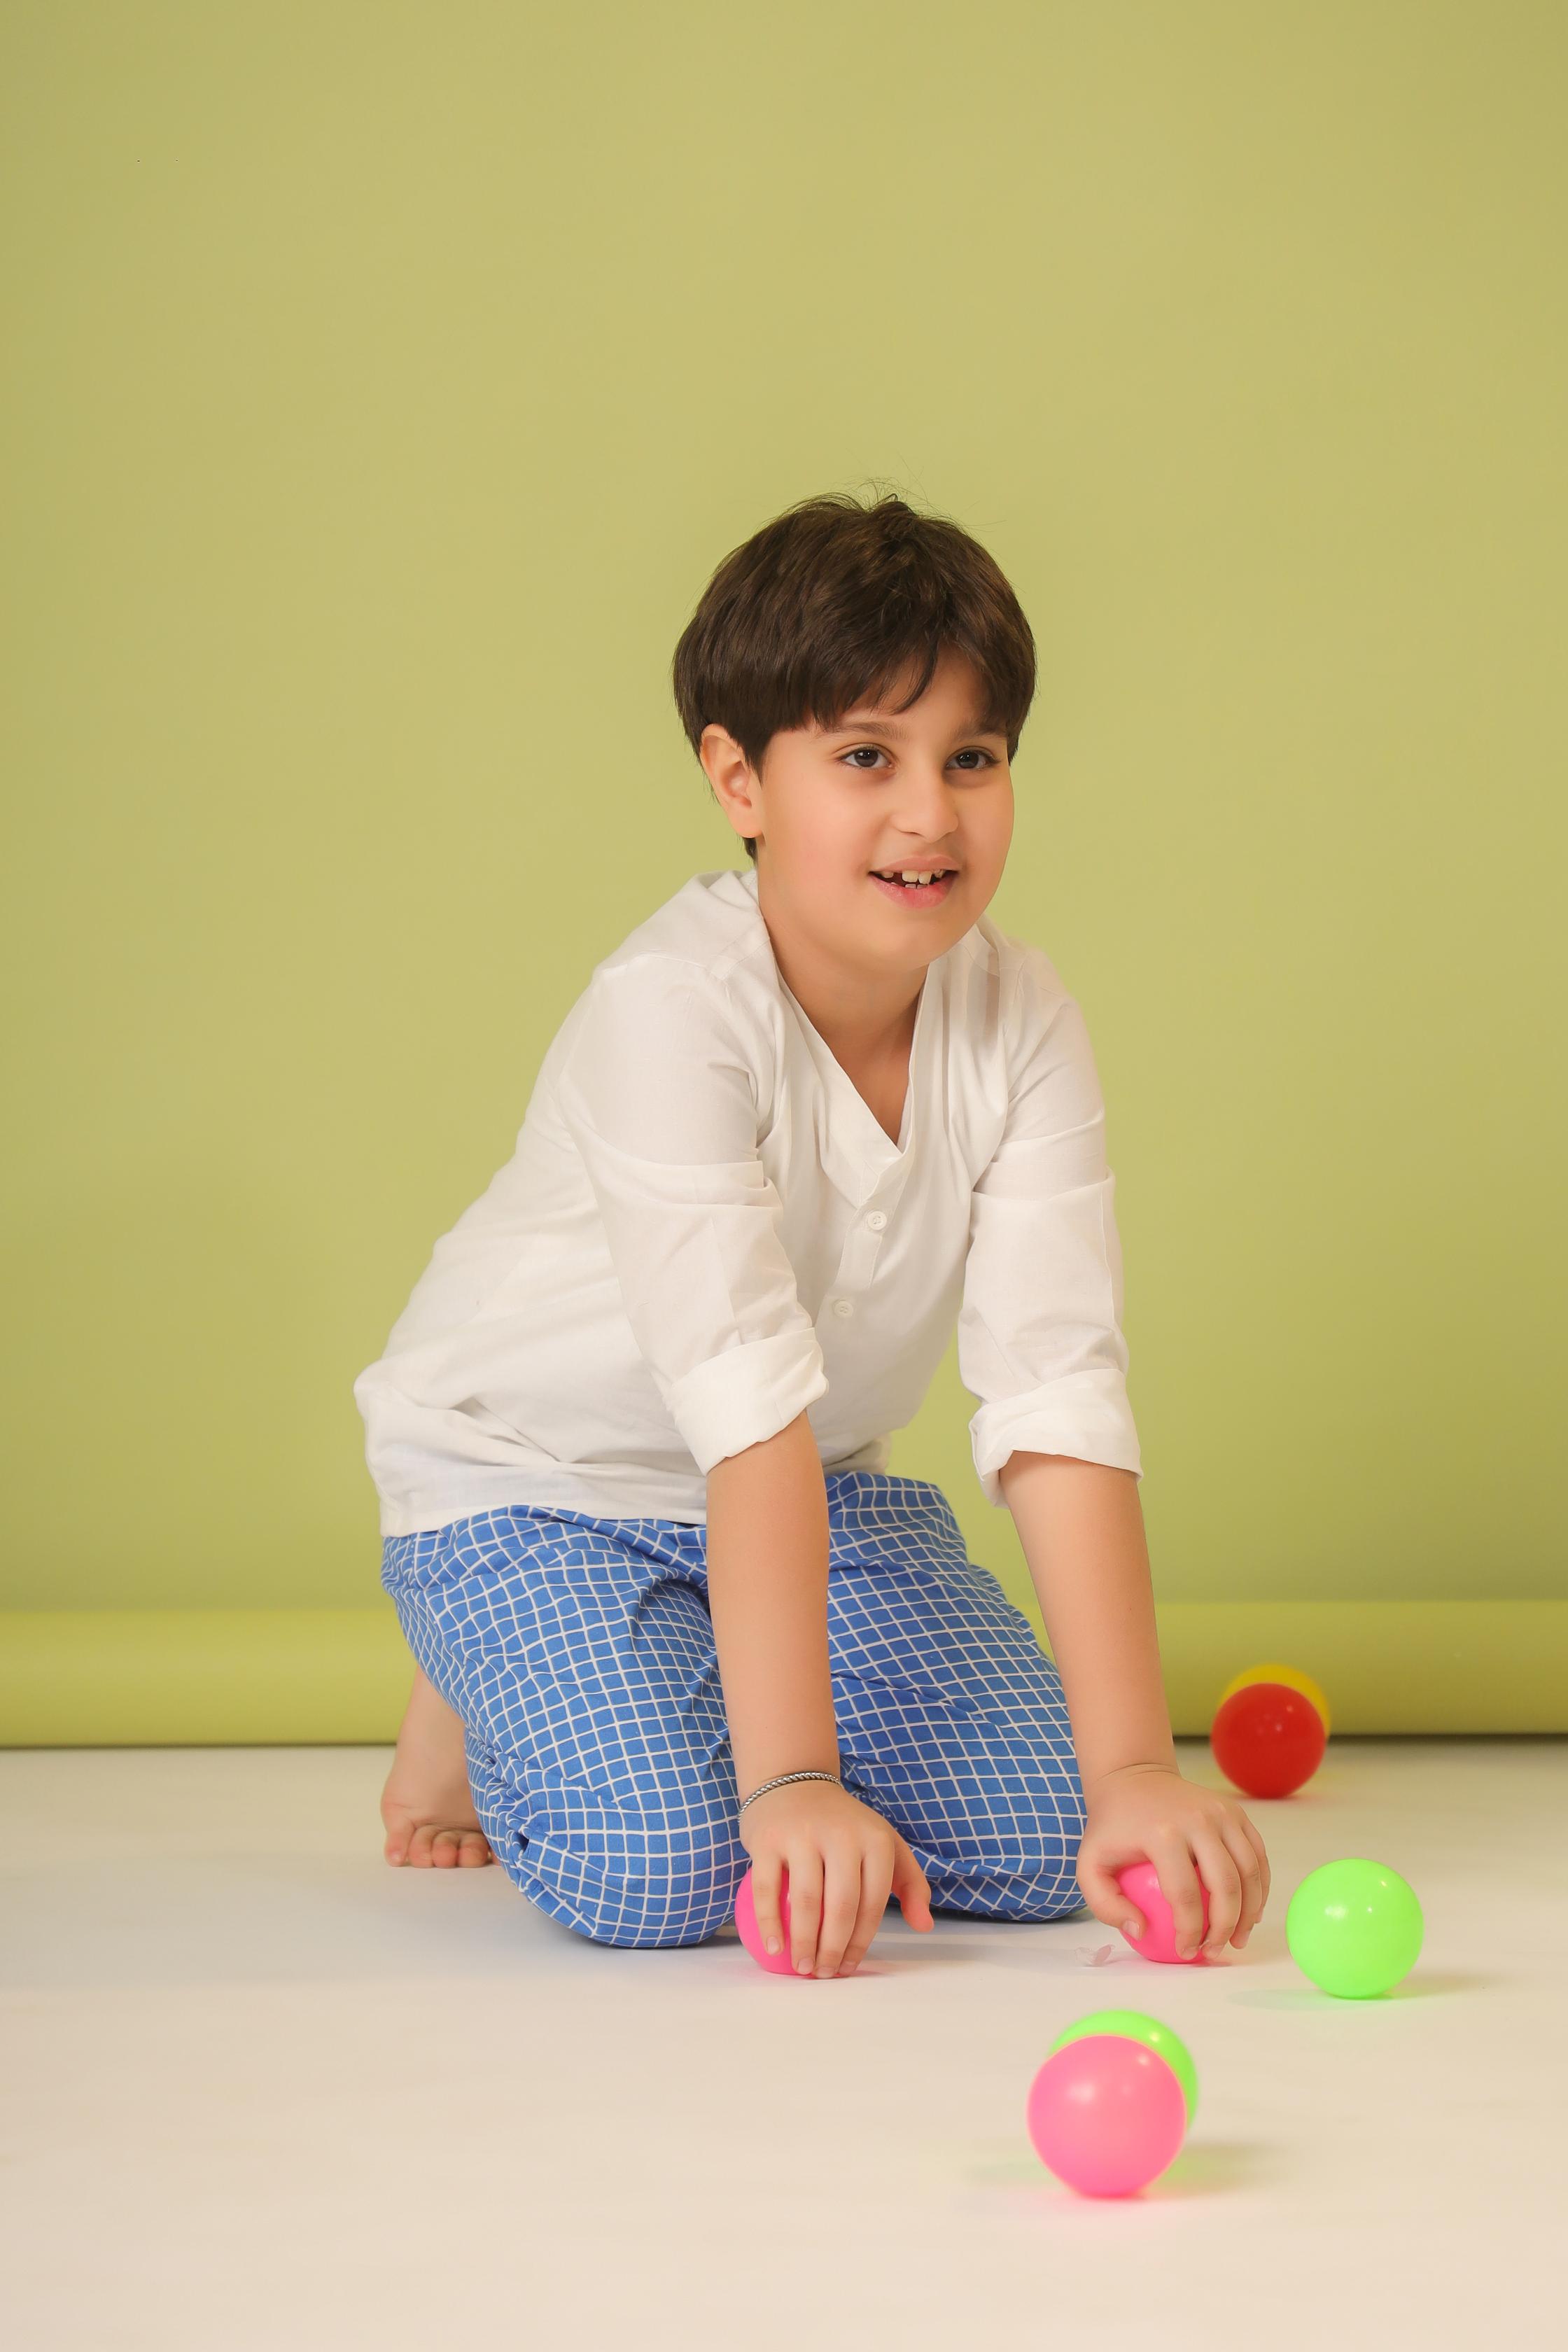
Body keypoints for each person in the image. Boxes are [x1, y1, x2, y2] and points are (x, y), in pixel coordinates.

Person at [352, 489, 1270, 1979]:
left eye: (972, 758)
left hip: (812, 1503)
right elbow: (744, 1407)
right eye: (864, 757)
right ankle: (481, 1673)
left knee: (1049, 1840)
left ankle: (652, 1664)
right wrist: (790, 1786)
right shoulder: (670, 1011)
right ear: (738, 779)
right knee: (660, 1867)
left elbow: (1056, 1392)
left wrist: (1135, 1777)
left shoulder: (1022, 1018)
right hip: (530, 1481)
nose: (930, 813)